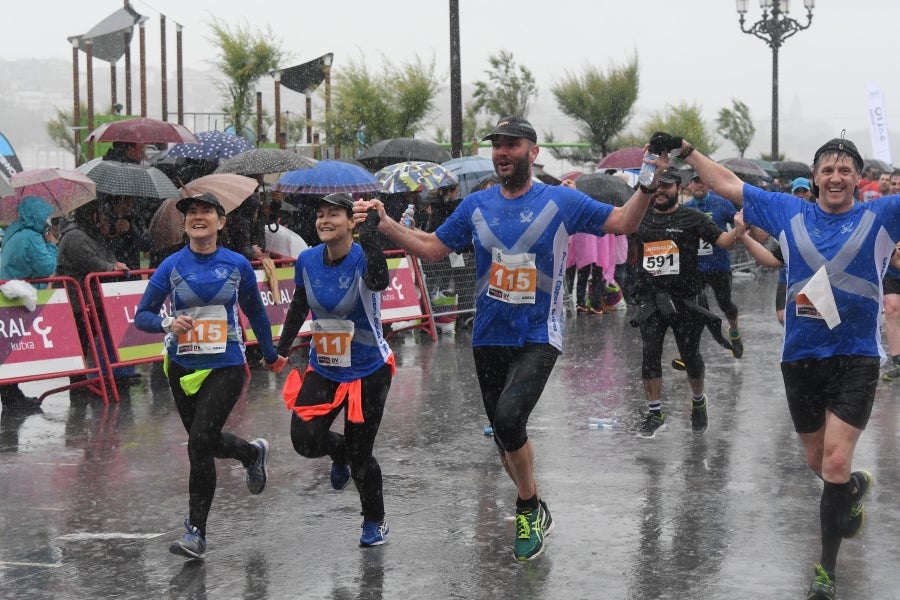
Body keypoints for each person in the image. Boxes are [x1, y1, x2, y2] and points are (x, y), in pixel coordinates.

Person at [353, 116, 663, 561]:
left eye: (511, 145)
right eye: (496, 145)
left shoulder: (560, 200)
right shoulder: (476, 206)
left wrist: (649, 175)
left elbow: (625, 221)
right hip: (489, 335)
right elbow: (434, 247)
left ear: (532, 153)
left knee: (511, 416)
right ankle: (535, 503)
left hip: (540, 333)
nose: (501, 152)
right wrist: (384, 223)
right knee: (503, 432)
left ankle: (525, 507)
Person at [672, 133, 900, 600]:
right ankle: (852, 490)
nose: (836, 177)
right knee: (820, 464)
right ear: (815, 179)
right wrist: (688, 150)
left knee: (835, 460)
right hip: (800, 359)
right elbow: (730, 186)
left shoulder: (882, 214)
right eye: (827, 170)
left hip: (856, 358)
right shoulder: (787, 211)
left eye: (845, 170)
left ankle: (825, 572)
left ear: (859, 179)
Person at [133, 192, 286, 560]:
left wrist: (268, 352)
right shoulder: (171, 266)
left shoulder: (237, 265)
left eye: (207, 212)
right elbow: (143, 315)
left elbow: (255, 312)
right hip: (182, 367)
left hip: (226, 364)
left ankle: (195, 533)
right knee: (207, 441)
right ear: (185, 224)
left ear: (222, 222)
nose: (198, 217)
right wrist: (168, 322)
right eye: (192, 213)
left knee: (199, 442)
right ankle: (251, 453)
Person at [275, 192, 394, 547]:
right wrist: (281, 350)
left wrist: (371, 234)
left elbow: (378, 282)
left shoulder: (364, 257)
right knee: (305, 440)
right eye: (320, 215)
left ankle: (374, 521)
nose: (324, 221)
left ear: (350, 221)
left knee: (362, 457)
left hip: (368, 370)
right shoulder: (308, 260)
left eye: (334, 215)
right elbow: (299, 304)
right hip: (324, 367)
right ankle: (340, 454)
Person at [628, 168, 745, 439]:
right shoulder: (640, 218)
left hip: (687, 300)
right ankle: (655, 414)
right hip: (651, 300)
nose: (660, 190)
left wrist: (739, 231)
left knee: (691, 358)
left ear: (678, 188)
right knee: (650, 356)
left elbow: (724, 241)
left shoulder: (692, 218)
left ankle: (698, 401)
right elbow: (615, 225)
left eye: (666, 186)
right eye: (657, 185)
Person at [0, 196, 58, 410]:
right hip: (19, 299)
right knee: (15, 349)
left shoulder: (14, 232)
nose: (48, 222)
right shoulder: (31, 238)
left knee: (8, 349)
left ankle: (11, 394)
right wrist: (52, 245)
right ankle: (12, 398)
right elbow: (46, 267)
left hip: (8, 297)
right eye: (46, 217)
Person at [683, 173, 743, 357]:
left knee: (725, 303)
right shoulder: (686, 209)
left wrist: (734, 236)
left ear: (708, 185)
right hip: (696, 269)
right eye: (696, 182)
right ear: (689, 186)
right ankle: (691, 349)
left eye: (703, 182)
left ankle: (734, 330)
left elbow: (738, 225)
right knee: (695, 308)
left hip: (719, 266)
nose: (699, 185)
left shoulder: (721, 204)